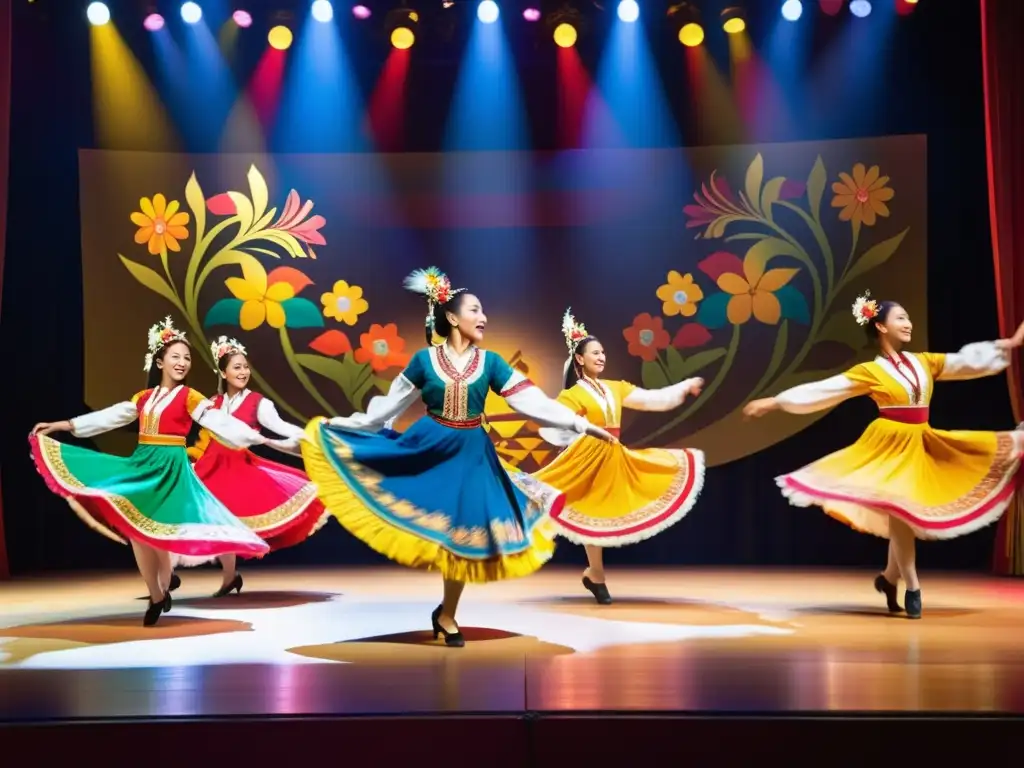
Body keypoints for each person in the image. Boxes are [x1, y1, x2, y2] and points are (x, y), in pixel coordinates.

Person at [300, 267, 617, 647]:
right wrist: (347, 426)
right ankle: (444, 612)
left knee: (462, 536)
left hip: (472, 454)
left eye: (484, 312)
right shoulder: (423, 361)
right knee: (432, 520)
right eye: (475, 310)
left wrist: (581, 425)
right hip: (430, 446)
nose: (483, 318)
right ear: (451, 317)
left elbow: (530, 401)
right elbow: (388, 408)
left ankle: (447, 612)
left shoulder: (492, 363)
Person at [743, 292, 1024, 619]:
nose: (908, 323)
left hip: (921, 443)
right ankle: (913, 586)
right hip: (888, 447)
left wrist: (1008, 345)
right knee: (901, 513)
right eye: (900, 318)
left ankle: (890, 579)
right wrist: (776, 402)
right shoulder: (870, 372)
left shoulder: (924, 362)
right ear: (880, 326)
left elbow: (964, 362)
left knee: (903, 516)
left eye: (907, 318)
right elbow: (826, 389)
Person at [29, 317, 278, 626]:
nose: (183, 362)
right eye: (176, 356)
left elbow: (220, 423)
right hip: (143, 464)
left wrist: (256, 437)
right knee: (137, 532)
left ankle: (168, 587)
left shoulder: (191, 397)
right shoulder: (144, 398)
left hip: (171, 469)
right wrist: (65, 425)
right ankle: (157, 594)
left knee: (157, 532)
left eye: (187, 358)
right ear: (160, 361)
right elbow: (111, 417)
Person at [532, 308, 706, 605]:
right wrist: (573, 438)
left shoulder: (616, 388)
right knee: (587, 509)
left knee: (602, 510)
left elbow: (652, 400)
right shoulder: (573, 395)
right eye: (594, 353)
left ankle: (595, 573)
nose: (601, 357)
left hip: (612, 454)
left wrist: (683, 387)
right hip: (586, 456)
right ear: (580, 359)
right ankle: (596, 573)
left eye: (603, 353)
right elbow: (554, 423)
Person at [181, 337, 328, 596]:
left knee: (229, 520)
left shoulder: (258, 403)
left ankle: (227, 576)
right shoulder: (213, 403)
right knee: (200, 519)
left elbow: (282, 428)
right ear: (223, 372)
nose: (243, 372)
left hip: (237, 468)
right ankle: (226, 577)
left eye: (245, 367)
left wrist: (311, 437)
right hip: (211, 467)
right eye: (236, 367)